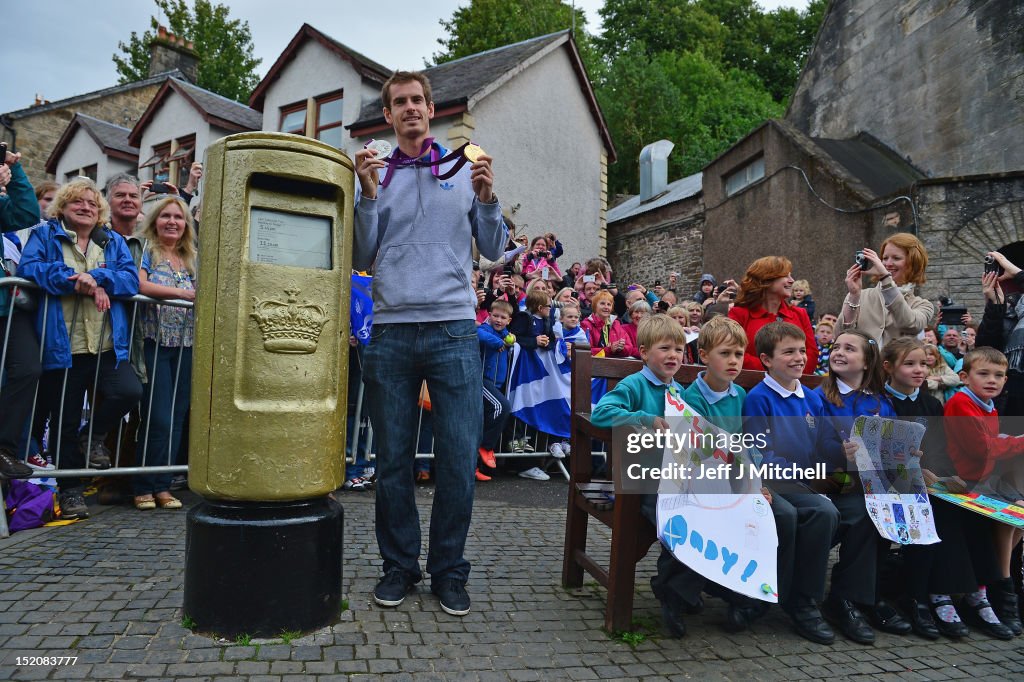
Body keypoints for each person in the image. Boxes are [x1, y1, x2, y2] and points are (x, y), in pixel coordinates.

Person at [352, 70, 505, 617]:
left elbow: (492, 247)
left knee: (459, 459)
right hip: (391, 329)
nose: (411, 108)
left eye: (418, 99)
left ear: (431, 109)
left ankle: (449, 571)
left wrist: (487, 200)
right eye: (400, 102)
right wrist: (367, 197)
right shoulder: (374, 173)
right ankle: (399, 567)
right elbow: (359, 256)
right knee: (392, 461)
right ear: (388, 116)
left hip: (453, 329)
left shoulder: (464, 168)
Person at [17, 178, 142, 520]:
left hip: (104, 343)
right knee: (64, 421)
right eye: (77, 203)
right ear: (63, 207)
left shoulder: (111, 240)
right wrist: (76, 279)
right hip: (63, 345)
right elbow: (30, 268)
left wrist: (98, 278)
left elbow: (129, 279)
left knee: (129, 391)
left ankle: (94, 436)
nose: (85, 207)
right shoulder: (45, 234)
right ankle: (70, 490)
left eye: (91, 203)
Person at [881, 337, 1007, 640]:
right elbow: (879, 449)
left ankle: (978, 592)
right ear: (888, 367)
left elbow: (941, 449)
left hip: (930, 480)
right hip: (893, 484)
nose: (919, 370)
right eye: (910, 364)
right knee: (941, 511)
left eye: (924, 364)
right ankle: (929, 596)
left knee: (971, 507)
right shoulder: (881, 402)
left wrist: (944, 477)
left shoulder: (930, 403)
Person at [591, 315, 690, 636]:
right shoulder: (635, 384)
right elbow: (601, 412)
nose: (674, 355)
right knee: (679, 519)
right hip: (640, 477)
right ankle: (673, 593)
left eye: (679, 349)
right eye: (665, 348)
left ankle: (677, 588)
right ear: (645, 352)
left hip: (673, 476)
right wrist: (645, 419)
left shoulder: (680, 391)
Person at [742, 322, 840, 644]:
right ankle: (770, 594)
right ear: (767, 360)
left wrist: (844, 452)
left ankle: (803, 601)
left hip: (806, 483)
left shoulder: (812, 399)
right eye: (789, 352)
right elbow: (759, 453)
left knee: (826, 513)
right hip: (773, 483)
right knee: (808, 513)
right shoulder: (759, 399)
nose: (799, 358)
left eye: (802, 351)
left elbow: (824, 442)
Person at [813, 330, 911, 643]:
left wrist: (906, 452)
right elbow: (813, 443)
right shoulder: (820, 396)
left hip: (872, 483)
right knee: (865, 511)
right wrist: (839, 451)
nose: (839, 352)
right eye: (836, 347)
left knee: (896, 506)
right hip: (832, 483)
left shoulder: (880, 401)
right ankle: (844, 599)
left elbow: (892, 441)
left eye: (849, 348)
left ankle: (870, 594)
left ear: (867, 363)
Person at [943, 347, 1024, 636]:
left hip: (983, 478)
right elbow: (981, 448)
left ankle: (987, 580)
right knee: (1009, 518)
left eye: (999, 375)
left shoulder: (987, 405)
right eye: (984, 374)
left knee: (1020, 516)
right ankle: (999, 587)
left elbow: (992, 445)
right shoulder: (961, 403)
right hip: (962, 481)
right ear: (964, 377)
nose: (993, 380)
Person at [131, 196, 197, 511]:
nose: (172, 221)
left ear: (186, 225)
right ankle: (143, 484)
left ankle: (163, 485)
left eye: (178, 217)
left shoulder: (191, 257)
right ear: (155, 220)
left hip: (187, 344)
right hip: (155, 342)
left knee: (178, 416)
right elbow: (140, 285)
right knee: (157, 417)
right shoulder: (146, 250)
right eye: (166, 216)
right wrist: (182, 294)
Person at [0, 150, 41, 480]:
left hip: (7, 308)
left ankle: (5, 449)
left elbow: (26, 213)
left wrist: (16, 171)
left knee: (27, 368)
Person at [840, 233, 934, 347]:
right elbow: (839, 335)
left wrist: (886, 279)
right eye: (884, 258)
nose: (888, 264)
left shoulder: (923, 305)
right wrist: (854, 296)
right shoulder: (861, 296)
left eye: (896, 258)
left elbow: (910, 324)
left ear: (913, 263)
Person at [729, 256, 817, 373]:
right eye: (786, 276)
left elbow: (812, 354)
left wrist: (789, 374)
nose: (791, 280)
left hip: (794, 386)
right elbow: (733, 352)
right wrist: (777, 371)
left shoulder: (800, 314)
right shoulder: (739, 314)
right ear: (766, 279)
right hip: (750, 386)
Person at [477, 300, 515, 481]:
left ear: (509, 320)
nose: (498, 320)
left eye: (503, 317)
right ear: (489, 316)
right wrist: (498, 341)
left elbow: (513, 339)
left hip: (497, 383)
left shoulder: (506, 334)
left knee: (480, 423)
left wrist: (509, 339)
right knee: (502, 407)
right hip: (482, 380)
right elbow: (479, 334)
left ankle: (475, 468)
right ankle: (486, 446)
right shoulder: (486, 330)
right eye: (495, 316)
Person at [581, 290, 635, 358]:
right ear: (595, 306)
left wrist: (621, 348)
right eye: (602, 303)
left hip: (615, 365)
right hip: (594, 366)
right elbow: (586, 351)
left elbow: (629, 348)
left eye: (609, 304)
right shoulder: (586, 325)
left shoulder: (616, 324)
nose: (606, 307)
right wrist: (609, 350)